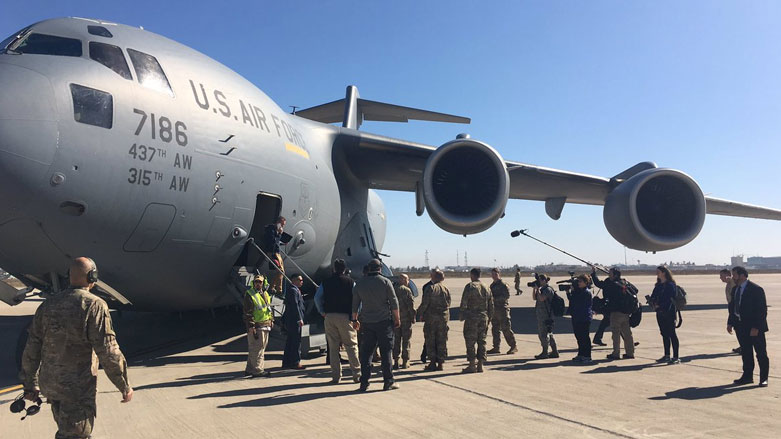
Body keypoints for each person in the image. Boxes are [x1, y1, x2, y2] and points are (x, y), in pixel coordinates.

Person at [21, 257, 132, 439]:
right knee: (77, 434)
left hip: (52, 385)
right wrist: (123, 385)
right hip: (77, 388)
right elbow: (108, 349)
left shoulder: (47, 305)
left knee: (67, 431)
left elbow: (32, 348)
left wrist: (30, 383)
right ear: (92, 277)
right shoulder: (93, 305)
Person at [352, 259, 400, 391]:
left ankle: (364, 383)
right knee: (386, 353)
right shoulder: (385, 282)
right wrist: (397, 318)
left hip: (367, 323)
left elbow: (355, 304)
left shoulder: (360, 283)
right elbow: (394, 302)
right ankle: (388, 381)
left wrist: (354, 320)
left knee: (366, 353)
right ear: (380, 269)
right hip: (384, 322)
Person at [314, 259, 361, 383]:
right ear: (345, 269)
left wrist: (322, 312)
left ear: (334, 269)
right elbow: (357, 300)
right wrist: (355, 316)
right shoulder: (351, 282)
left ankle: (336, 376)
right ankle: (357, 374)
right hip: (346, 317)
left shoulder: (326, 282)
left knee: (333, 347)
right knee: (351, 346)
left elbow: (317, 298)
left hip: (330, 316)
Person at [728, 266, 769, 387]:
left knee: (760, 353)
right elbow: (732, 308)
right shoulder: (735, 289)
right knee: (746, 352)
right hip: (740, 327)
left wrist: (756, 327)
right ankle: (747, 376)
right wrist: (730, 322)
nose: (733, 277)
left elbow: (761, 311)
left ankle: (763, 378)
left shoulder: (756, 289)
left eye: (734, 275)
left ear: (742, 275)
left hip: (754, 327)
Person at [592, 267, 635, 360]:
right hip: (626, 312)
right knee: (627, 333)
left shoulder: (611, 284)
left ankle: (616, 353)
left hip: (615, 312)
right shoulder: (624, 282)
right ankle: (630, 353)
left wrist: (594, 273)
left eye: (610, 274)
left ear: (615, 275)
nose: (608, 275)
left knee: (615, 334)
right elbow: (635, 290)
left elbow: (598, 284)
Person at [460, 268, 493, 373]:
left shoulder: (470, 286)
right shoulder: (486, 287)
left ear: (472, 275)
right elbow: (491, 304)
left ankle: (471, 364)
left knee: (470, 341)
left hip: (472, 318)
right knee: (482, 341)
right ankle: (480, 364)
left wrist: (462, 315)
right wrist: (489, 318)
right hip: (483, 317)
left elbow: (464, 302)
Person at [418, 269, 451, 371]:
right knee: (442, 340)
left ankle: (432, 362)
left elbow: (425, 304)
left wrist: (419, 313)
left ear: (434, 277)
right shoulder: (446, 289)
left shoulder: (430, 288)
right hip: (443, 318)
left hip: (431, 318)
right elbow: (448, 303)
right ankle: (441, 363)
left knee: (431, 340)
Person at [243, 274, 273, 377]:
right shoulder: (250, 294)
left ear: (263, 283)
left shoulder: (265, 294)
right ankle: (258, 370)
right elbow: (248, 312)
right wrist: (251, 326)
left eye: (260, 282)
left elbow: (268, 309)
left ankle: (250, 369)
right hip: (257, 326)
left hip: (265, 324)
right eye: (256, 282)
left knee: (256, 348)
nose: (257, 284)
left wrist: (271, 320)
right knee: (258, 348)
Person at [650, 266, 680, 364]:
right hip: (659, 312)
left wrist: (661, 305)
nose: (656, 274)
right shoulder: (658, 285)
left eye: (658, 272)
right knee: (664, 334)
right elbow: (653, 296)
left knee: (672, 334)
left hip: (669, 313)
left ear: (664, 273)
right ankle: (667, 355)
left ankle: (676, 357)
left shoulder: (671, 285)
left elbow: (670, 299)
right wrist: (653, 303)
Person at [486, 268, 518, 355]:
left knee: (506, 328)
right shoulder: (492, 285)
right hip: (494, 310)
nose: (493, 276)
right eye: (492, 274)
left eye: (495, 274)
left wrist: (494, 299)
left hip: (502, 309)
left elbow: (506, 296)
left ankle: (513, 346)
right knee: (495, 329)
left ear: (499, 274)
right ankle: (496, 347)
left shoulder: (503, 285)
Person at [568, 274, 593, 364]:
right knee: (579, 337)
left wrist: (574, 292)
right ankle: (581, 354)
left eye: (580, 281)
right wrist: (569, 292)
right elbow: (572, 300)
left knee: (585, 337)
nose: (578, 283)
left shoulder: (586, 292)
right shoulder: (578, 291)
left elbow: (579, 302)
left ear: (586, 283)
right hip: (577, 317)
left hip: (584, 317)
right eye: (578, 281)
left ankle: (587, 355)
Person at [282, 274, 306, 369]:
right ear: (294, 280)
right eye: (300, 280)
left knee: (290, 341)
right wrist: (299, 318)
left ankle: (287, 362)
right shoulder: (293, 290)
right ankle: (295, 362)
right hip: (294, 320)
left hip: (291, 320)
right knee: (295, 341)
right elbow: (295, 305)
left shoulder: (294, 290)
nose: (302, 282)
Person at [393, 274, 416, 370]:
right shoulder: (407, 291)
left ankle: (396, 361)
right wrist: (413, 317)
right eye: (407, 279)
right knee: (406, 341)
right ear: (403, 280)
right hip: (406, 319)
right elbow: (411, 306)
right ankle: (405, 362)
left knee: (396, 341)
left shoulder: (392, 289)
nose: (408, 281)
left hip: (395, 319)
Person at [532, 274, 558, 359]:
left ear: (544, 280)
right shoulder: (542, 289)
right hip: (541, 315)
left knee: (543, 334)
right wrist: (534, 289)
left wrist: (538, 290)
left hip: (546, 315)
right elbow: (534, 298)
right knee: (549, 334)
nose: (539, 282)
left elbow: (542, 298)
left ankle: (545, 352)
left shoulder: (548, 289)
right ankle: (554, 351)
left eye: (540, 280)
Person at [263, 216, 287, 295]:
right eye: (282, 224)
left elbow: (277, 242)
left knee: (280, 271)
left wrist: (283, 243)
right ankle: (278, 290)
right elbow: (273, 241)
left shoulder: (275, 230)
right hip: (272, 252)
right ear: (278, 223)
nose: (283, 226)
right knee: (280, 271)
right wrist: (279, 234)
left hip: (277, 252)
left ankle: (272, 287)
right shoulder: (271, 230)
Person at [417, 269, 437, 364]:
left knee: (439, 337)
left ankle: (436, 356)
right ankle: (424, 354)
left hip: (439, 317)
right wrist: (421, 314)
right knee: (429, 337)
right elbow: (425, 302)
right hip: (429, 316)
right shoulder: (427, 286)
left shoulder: (441, 287)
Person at [720, 268, 740, 354]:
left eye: (721, 276)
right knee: (737, 328)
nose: (720, 278)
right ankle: (742, 345)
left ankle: (744, 346)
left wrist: (730, 279)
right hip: (731, 307)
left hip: (736, 308)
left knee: (738, 328)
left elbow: (734, 282)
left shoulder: (732, 282)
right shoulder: (728, 284)